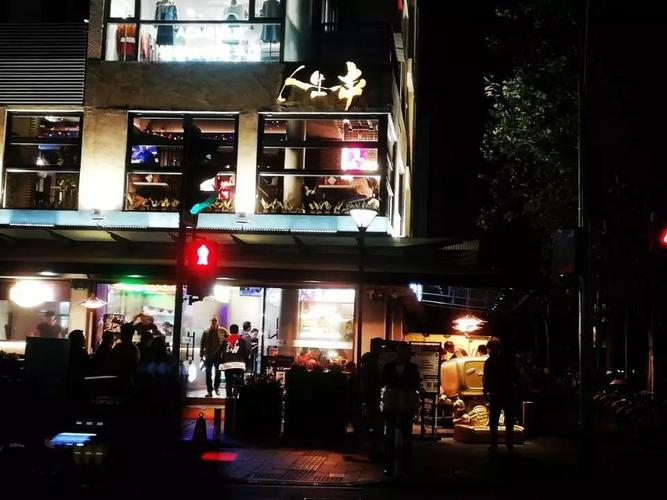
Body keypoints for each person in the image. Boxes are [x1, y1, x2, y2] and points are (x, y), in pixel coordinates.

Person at [381, 343, 420, 475]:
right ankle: (389, 465)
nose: (407, 356)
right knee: (390, 436)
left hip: (406, 405)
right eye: (404, 353)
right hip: (392, 404)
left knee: (406, 437)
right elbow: (384, 381)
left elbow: (415, 383)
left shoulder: (412, 368)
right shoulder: (389, 367)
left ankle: (405, 465)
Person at [483, 339, 517, 452]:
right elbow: (515, 376)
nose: (488, 351)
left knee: (494, 420)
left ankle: (494, 443)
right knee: (509, 420)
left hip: (496, 393)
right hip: (508, 393)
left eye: (489, 349)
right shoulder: (508, 361)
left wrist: (486, 393)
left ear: (491, 349)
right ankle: (509, 442)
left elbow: (486, 379)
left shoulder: (489, 362)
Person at [110, 323, 140, 392]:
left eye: (122, 333)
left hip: (118, 382)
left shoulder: (119, 347)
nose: (120, 335)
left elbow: (111, 362)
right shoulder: (135, 348)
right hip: (130, 382)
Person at [220, 324, 248, 398]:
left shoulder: (225, 341)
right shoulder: (242, 341)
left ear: (230, 331)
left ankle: (229, 398)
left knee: (228, 383)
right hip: (239, 365)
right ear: (237, 331)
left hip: (228, 365)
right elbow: (245, 354)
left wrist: (220, 361)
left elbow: (218, 351)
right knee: (237, 382)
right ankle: (235, 396)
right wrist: (246, 364)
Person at [200, 317, 224, 397]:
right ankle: (209, 391)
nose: (214, 322)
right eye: (213, 320)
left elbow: (228, 338)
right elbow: (202, 344)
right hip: (209, 355)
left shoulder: (222, 330)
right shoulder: (206, 331)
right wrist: (201, 355)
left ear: (217, 321)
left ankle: (216, 387)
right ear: (210, 321)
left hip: (218, 355)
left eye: (215, 320)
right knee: (208, 373)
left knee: (218, 372)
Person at [67, 330, 90, 401]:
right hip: (79, 384)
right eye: (82, 338)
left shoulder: (68, 352)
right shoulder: (81, 353)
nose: (84, 340)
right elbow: (88, 365)